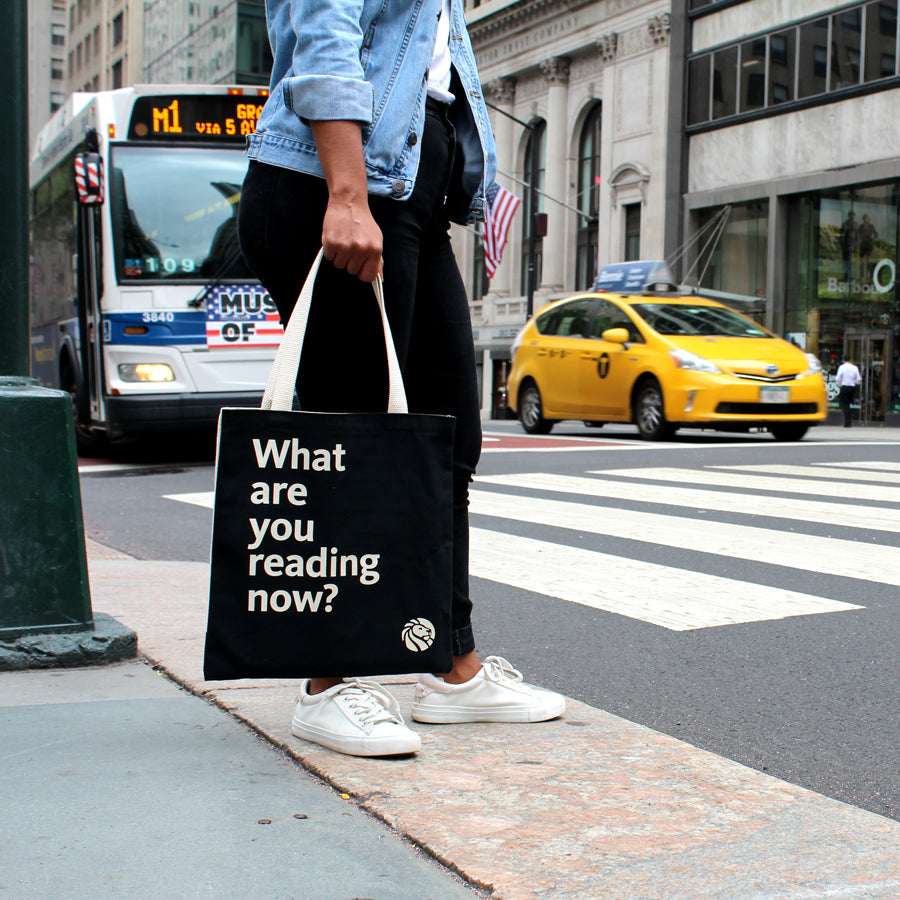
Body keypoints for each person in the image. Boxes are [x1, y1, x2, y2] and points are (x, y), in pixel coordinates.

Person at [237, 0, 565, 757]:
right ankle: (329, 679)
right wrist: (347, 192)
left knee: (448, 438)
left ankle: (449, 664)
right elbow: (322, 35)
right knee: (357, 441)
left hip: (412, 193)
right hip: (339, 181)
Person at [835, 354, 861, 427]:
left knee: (845, 404)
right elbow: (858, 379)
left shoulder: (841, 367)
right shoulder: (855, 368)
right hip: (852, 387)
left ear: (843, 360)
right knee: (850, 404)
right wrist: (854, 382)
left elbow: (838, 378)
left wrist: (841, 381)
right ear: (850, 359)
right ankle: (849, 420)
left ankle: (847, 422)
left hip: (845, 386)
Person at [857, 214, 878, 281]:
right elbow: (876, 234)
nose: (865, 221)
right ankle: (864, 275)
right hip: (866, 243)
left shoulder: (866, 226)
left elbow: (876, 234)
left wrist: (870, 238)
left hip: (866, 243)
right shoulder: (867, 226)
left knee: (866, 260)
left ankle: (866, 275)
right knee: (863, 260)